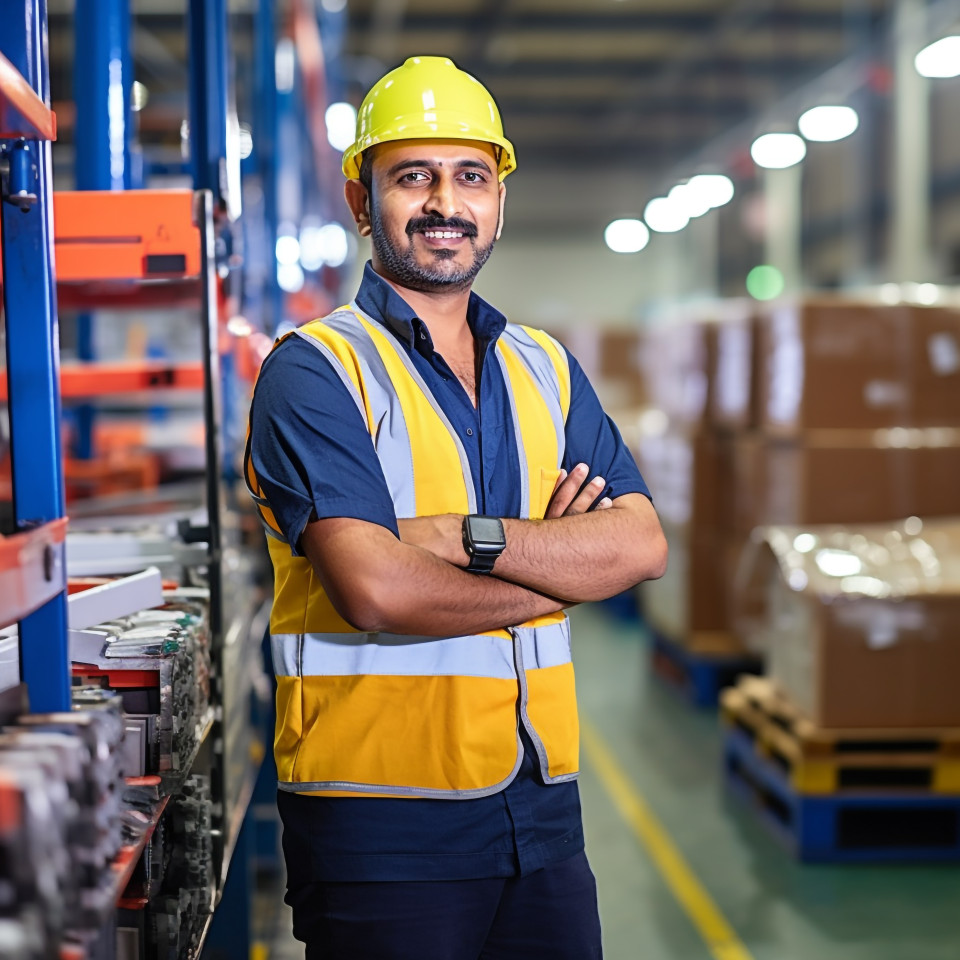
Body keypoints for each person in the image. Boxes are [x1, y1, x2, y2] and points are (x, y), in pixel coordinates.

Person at [246, 55, 667, 960]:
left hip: (544, 816)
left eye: (471, 175)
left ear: (500, 199)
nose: (446, 202)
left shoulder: (544, 368)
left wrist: (465, 540)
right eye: (413, 176)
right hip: (380, 828)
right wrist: (558, 572)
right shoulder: (315, 372)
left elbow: (639, 545)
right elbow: (375, 591)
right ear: (363, 201)